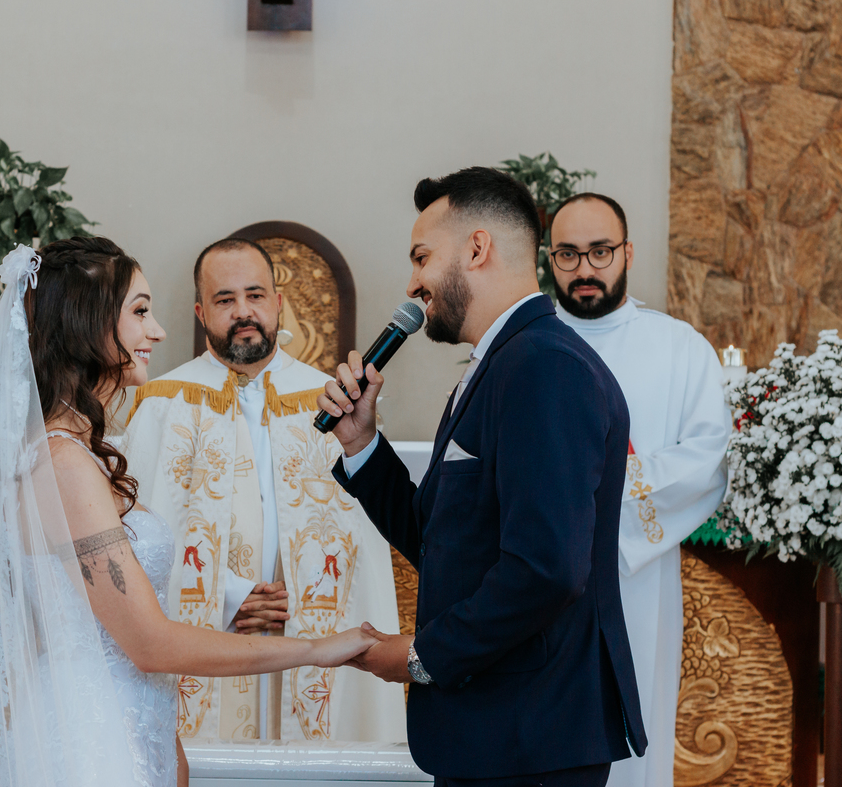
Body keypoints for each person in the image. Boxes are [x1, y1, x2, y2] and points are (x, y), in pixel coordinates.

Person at [0, 237, 376, 787]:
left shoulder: (77, 453)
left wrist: (165, 747)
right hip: (86, 746)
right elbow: (148, 643)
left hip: (124, 727)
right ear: (87, 325)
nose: (158, 331)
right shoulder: (62, 464)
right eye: (140, 312)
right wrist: (314, 649)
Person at [318, 166, 647, 787]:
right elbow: (443, 540)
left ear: (476, 248)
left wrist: (422, 657)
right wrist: (361, 443)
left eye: (421, 257)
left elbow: (546, 568)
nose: (412, 284)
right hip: (500, 732)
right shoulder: (502, 363)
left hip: (530, 735)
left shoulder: (543, 365)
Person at [122, 238, 405, 742]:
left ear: (277, 302)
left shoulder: (333, 402)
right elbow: (138, 540)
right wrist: (227, 596)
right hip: (214, 639)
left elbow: (361, 550)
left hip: (307, 626)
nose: (243, 312)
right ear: (200, 313)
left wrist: (304, 591)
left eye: (255, 295)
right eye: (224, 299)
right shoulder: (162, 404)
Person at [549, 193, 729, 787]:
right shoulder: (522, 346)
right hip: (536, 578)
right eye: (568, 254)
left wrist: (601, 508)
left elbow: (707, 457)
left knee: (634, 734)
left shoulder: (680, 348)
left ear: (627, 252)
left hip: (636, 575)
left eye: (600, 251)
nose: (585, 269)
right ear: (550, 260)